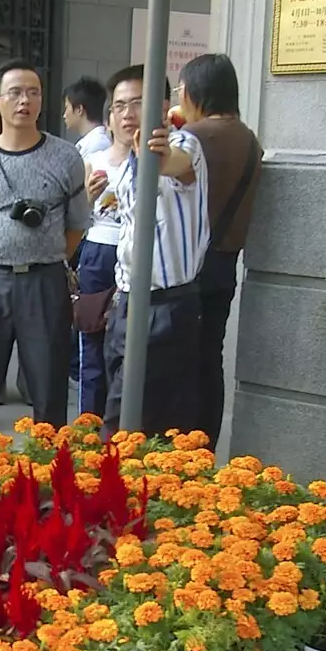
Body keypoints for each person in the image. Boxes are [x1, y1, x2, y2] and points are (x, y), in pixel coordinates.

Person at [0, 59, 90, 452]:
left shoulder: (66, 158)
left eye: (33, 92)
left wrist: (43, 257)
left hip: (45, 285)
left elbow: (77, 225)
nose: (24, 100)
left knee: (47, 393)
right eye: (14, 92)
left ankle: (47, 486)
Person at [97, 64, 211, 439]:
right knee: (123, 407)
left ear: (163, 107)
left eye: (138, 103)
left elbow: (173, 165)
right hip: (126, 302)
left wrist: (155, 157)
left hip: (167, 306)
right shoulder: (125, 165)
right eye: (119, 106)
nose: (128, 113)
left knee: (147, 420)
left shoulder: (183, 144)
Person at [177, 54, 263, 450]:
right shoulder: (249, 139)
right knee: (209, 358)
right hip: (225, 262)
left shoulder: (191, 138)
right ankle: (205, 446)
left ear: (194, 91)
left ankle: (177, 449)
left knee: (175, 360)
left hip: (185, 266)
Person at [73, 74, 134, 417]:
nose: (125, 116)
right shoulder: (92, 163)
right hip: (98, 252)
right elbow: (76, 215)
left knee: (126, 346)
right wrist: (86, 198)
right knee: (92, 343)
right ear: (109, 118)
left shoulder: (151, 162)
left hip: (138, 256)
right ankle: (88, 427)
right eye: (118, 108)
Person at [63, 76, 112, 159]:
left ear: (79, 109)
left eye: (66, 108)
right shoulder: (91, 141)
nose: (64, 115)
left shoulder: (97, 144)